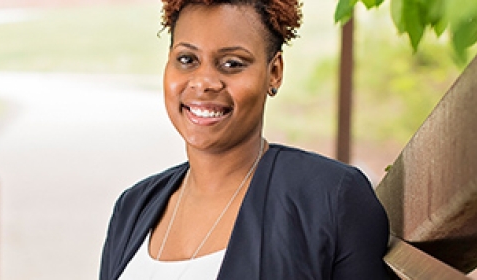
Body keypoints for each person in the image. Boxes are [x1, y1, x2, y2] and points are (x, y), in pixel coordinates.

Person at [99, 0, 391, 279]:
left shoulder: (329, 198)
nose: (204, 82)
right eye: (187, 59)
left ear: (274, 72)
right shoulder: (133, 206)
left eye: (232, 63)